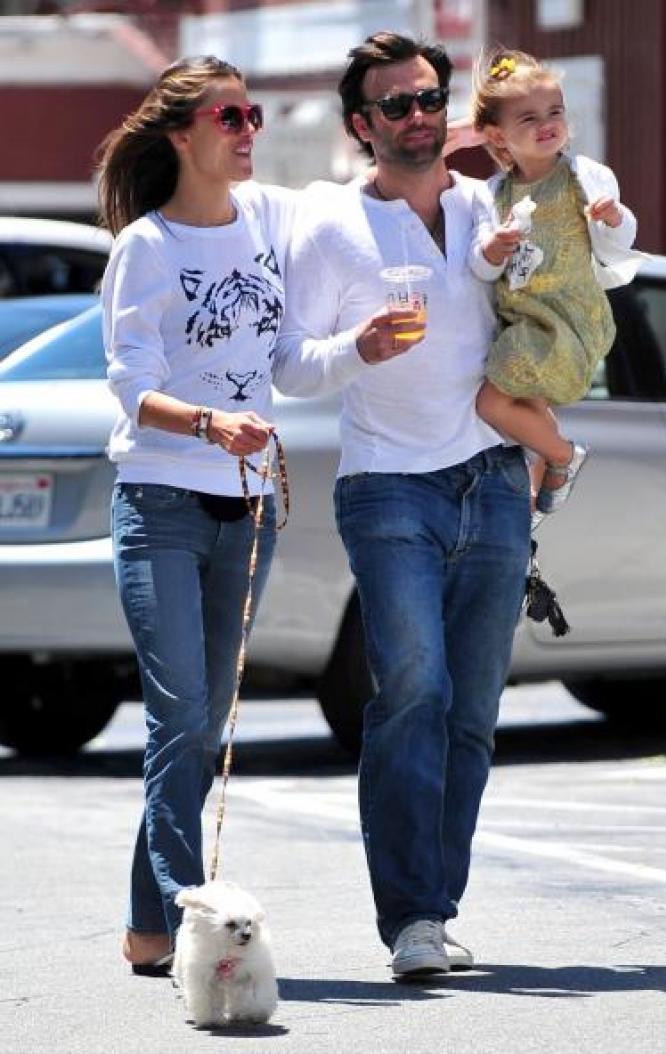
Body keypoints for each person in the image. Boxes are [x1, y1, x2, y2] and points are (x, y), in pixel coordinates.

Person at [273, 31, 531, 979]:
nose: (418, 117)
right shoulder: (329, 223)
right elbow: (291, 364)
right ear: (361, 125)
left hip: (495, 477)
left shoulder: (488, 205)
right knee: (413, 690)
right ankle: (412, 918)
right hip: (388, 485)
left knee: (473, 709)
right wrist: (359, 350)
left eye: (429, 99)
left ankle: (436, 904)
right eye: (396, 105)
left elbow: (588, 280)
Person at [96, 55, 297, 975]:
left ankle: (149, 926)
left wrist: (361, 347)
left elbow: (289, 358)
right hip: (161, 503)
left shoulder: (263, 222)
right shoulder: (147, 246)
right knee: (179, 720)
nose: (248, 130)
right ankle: (199, 926)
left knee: (203, 727)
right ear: (181, 135)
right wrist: (211, 421)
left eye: (253, 114)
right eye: (229, 117)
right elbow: (131, 386)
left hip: (248, 509)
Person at [465, 48, 645, 519]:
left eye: (555, 112)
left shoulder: (584, 177)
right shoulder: (492, 195)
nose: (547, 124)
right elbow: (480, 267)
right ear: (497, 135)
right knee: (524, 404)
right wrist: (493, 250)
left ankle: (563, 455)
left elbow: (621, 238)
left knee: (491, 403)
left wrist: (613, 217)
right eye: (528, 117)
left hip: (568, 317)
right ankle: (545, 483)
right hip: (523, 320)